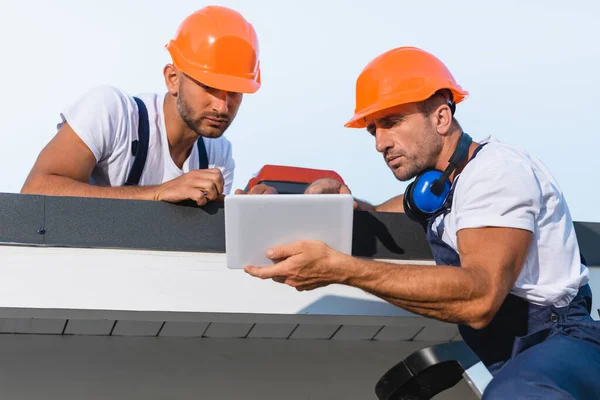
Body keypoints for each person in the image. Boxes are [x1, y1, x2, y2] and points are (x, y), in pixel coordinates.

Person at [245, 46, 600, 398]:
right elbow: (383, 214)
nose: (380, 143)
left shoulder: (496, 172)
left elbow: (480, 296)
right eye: (373, 131)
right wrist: (343, 207)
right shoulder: (437, 190)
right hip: (518, 362)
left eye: (392, 122)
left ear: (441, 118)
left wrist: (342, 270)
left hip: (566, 344)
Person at [21, 5, 275, 205]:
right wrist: (157, 194)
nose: (222, 106)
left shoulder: (218, 155)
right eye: (208, 87)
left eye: (234, 92)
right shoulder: (111, 112)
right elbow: (35, 191)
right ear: (172, 79)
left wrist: (244, 211)